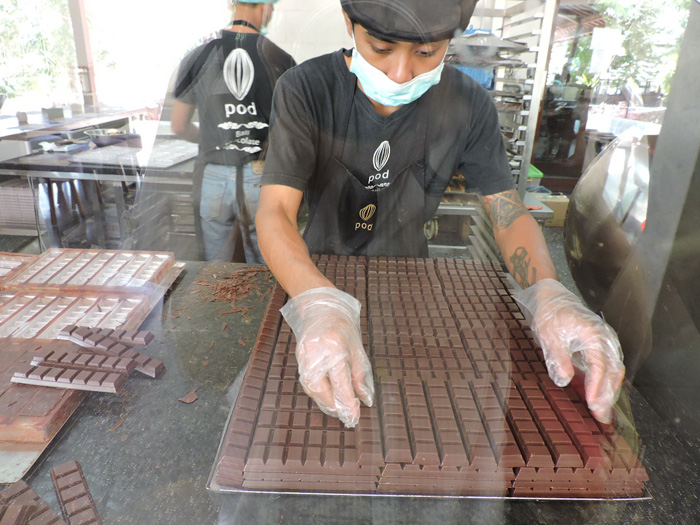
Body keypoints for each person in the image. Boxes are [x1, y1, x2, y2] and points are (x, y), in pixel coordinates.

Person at [256, 0, 625, 428]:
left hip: (412, 288)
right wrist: (318, 304)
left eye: (426, 53)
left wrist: (547, 292)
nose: (400, 72)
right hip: (312, 277)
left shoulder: (468, 106)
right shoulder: (305, 89)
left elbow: (507, 211)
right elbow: (275, 211)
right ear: (348, 23)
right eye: (379, 48)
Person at [171, 0, 295, 262]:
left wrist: (208, 139)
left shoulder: (198, 55)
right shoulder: (280, 59)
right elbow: (291, 133)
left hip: (213, 176)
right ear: (266, 6)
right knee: (265, 265)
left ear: (231, 3)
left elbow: (178, 125)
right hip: (261, 177)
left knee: (216, 270)